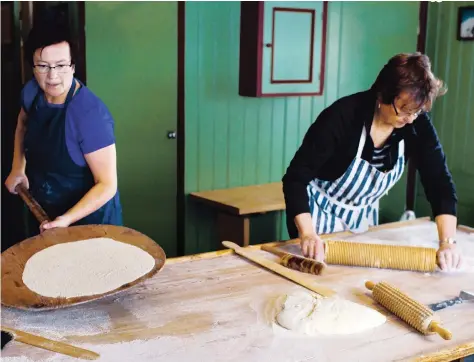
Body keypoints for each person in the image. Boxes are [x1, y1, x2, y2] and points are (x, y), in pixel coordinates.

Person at [282, 52, 462, 271]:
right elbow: (295, 178)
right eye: (404, 110)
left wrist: (447, 242)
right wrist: (308, 234)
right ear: (382, 95)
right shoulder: (342, 116)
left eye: (416, 111)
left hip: (362, 215)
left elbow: (439, 183)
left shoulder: (416, 123)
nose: (410, 118)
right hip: (319, 212)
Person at [4, 9, 122, 237]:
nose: (52, 76)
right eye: (43, 66)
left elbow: (107, 184)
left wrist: (66, 220)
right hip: (47, 213)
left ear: (73, 65)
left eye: (61, 65)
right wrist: (18, 167)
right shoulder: (31, 93)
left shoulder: (90, 115)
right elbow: (22, 124)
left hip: (92, 224)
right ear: (32, 66)